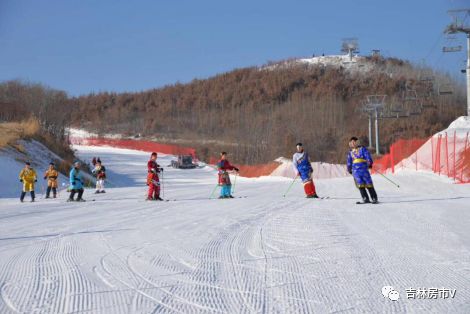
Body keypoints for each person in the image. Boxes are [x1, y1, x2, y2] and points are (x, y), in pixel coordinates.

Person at [347, 137, 378, 204]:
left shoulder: (362, 149)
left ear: (357, 142)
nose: (353, 144)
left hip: (363, 168)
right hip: (355, 170)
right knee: (360, 184)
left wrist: (370, 163)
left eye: (354, 142)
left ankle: (374, 197)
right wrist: (349, 168)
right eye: (351, 142)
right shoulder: (350, 152)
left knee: (368, 183)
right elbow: (349, 161)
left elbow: (367, 156)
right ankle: (365, 198)